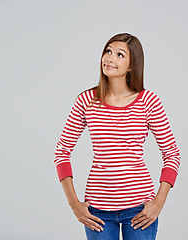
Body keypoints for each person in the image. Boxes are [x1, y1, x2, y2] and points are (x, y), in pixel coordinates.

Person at [54, 33, 181, 240]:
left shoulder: (148, 101)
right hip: (97, 211)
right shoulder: (87, 101)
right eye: (108, 51)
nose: (110, 58)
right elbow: (62, 151)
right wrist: (74, 204)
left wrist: (159, 202)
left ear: (132, 65)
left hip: (140, 210)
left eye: (120, 54)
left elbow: (172, 154)